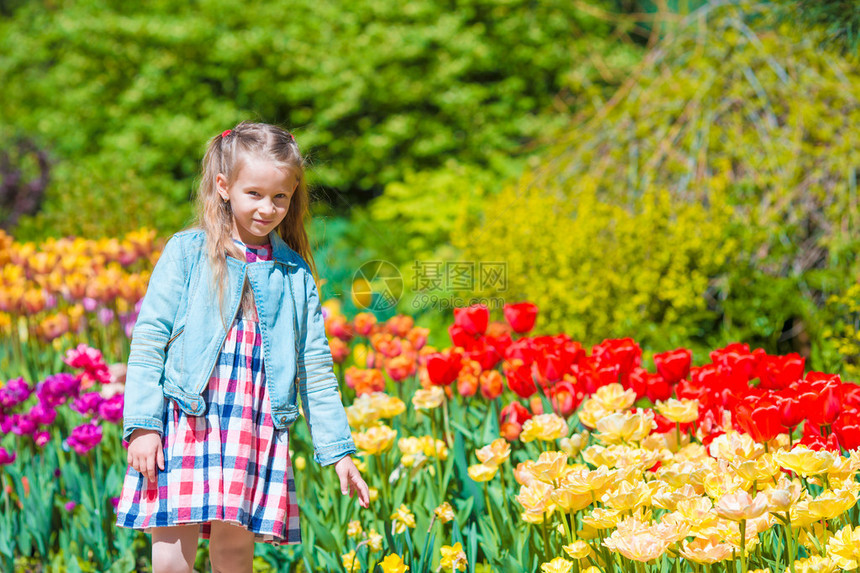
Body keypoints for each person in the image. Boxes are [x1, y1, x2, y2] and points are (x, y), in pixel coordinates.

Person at [115, 121, 370, 572]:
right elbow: (149, 341)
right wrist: (142, 425)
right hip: (184, 423)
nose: (267, 208)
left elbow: (315, 367)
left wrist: (339, 450)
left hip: (251, 428)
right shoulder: (189, 253)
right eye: (254, 193)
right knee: (172, 559)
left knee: (234, 556)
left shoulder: (294, 274)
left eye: (280, 198)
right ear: (224, 187)